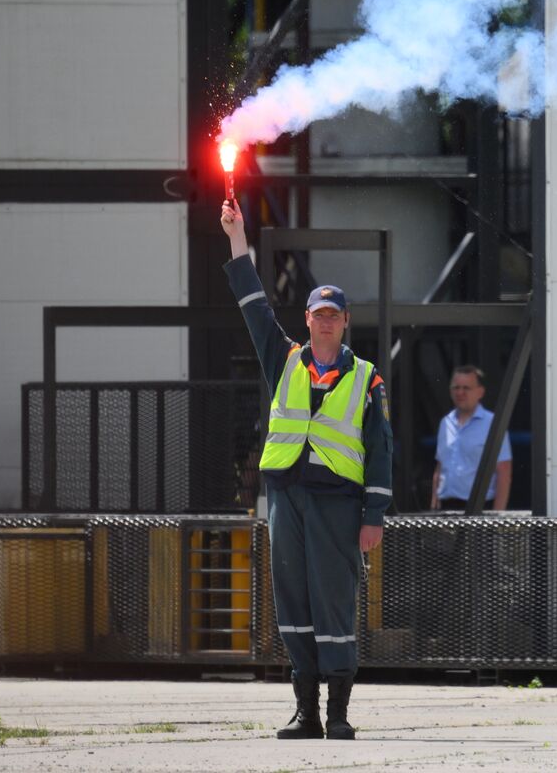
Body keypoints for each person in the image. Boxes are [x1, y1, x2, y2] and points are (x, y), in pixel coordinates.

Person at [220, 199, 391, 741]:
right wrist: (235, 237)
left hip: (338, 504)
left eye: (333, 315)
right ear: (307, 320)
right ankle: (306, 711)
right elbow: (252, 306)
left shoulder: (367, 380)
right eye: (317, 314)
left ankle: (338, 712)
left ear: (344, 323)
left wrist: (375, 515)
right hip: (286, 498)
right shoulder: (285, 360)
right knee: (291, 598)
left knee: (334, 599)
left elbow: (381, 451)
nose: (324, 322)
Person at [430, 366, 513, 511]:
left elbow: (504, 471)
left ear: (480, 392)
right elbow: (440, 467)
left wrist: (498, 516)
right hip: (445, 510)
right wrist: (433, 503)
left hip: (479, 510)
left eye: (466, 388)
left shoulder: (493, 424)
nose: (460, 392)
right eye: (456, 387)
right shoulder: (445, 423)